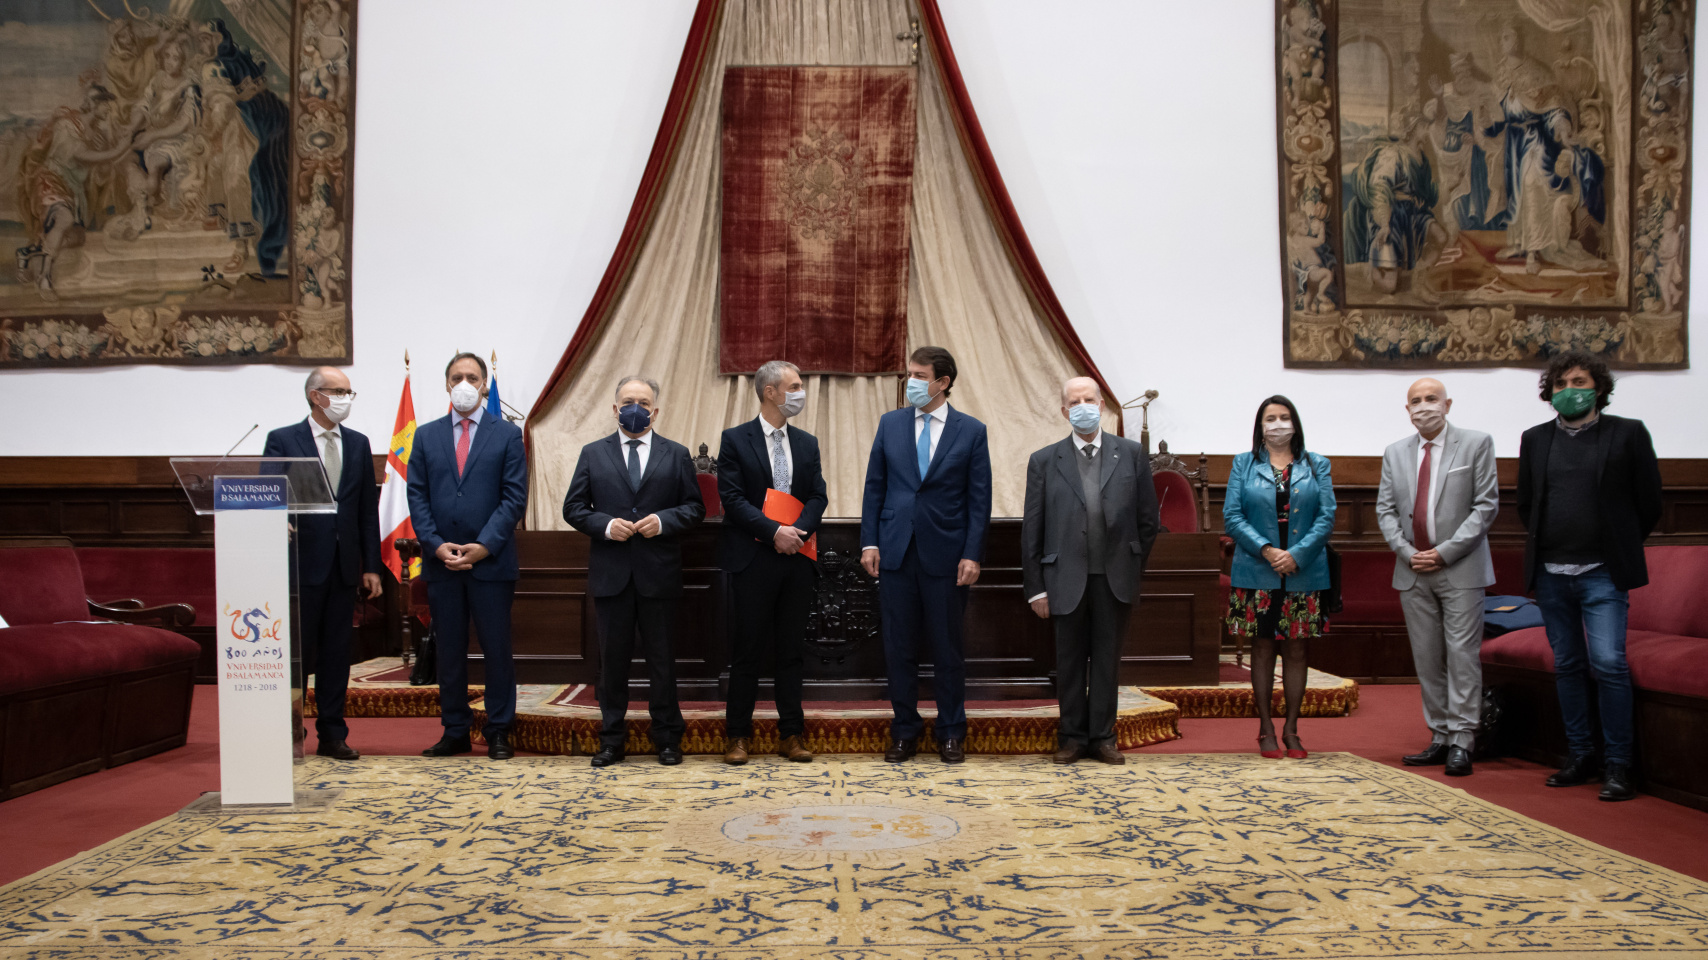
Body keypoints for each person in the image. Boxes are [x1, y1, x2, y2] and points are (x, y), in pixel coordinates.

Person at [1517, 351, 1663, 801]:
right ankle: (1580, 755)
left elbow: (1649, 502)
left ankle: (1619, 764)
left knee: (1609, 664)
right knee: (1568, 665)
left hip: (1603, 573)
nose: (1568, 391)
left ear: (1597, 387)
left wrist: (1616, 545)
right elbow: (1528, 505)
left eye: (1578, 381)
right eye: (1559, 385)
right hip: (1552, 573)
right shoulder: (1535, 438)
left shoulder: (1627, 434)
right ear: (1550, 392)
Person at [563, 376, 706, 767]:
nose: (636, 408)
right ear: (615, 408)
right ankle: (611, 740)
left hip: (658, 574)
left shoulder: (676, 454)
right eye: (628, 400)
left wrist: (664, 520)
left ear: (655, 411)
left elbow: (695, 508)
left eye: (643, 402)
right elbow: (573, 508)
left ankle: (667, 739)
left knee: (662, 662)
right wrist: (606, 526)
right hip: (612, 575)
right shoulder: (593, 453)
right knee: (612, 664)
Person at [860, 346, 992, 764]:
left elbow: (978, 499)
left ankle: (951, 732)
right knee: (899, 648)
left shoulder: (971, 430)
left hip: (947, 556)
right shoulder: (890, 424)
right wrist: (870, 541)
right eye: (909, 374)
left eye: (919, 375)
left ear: (943, 382)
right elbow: (874, 488)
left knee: (947, 648)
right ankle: (905, 731)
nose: (911, 383)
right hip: (896, 552)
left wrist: (973, 552)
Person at [1021, 377, 1159, 765]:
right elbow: (1033, 528)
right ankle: (1071, 738)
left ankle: (1102, 737)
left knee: (1105, 661)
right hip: (1063, 579)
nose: (1082, 406)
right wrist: (1036, 588)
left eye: (1089, 399)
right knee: (1067, 663)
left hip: (1114, 579)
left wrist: (1131, 564)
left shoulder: (1131, 454)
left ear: (1101, 405)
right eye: (1074, 401)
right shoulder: (1044, 460)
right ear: (1065, 411)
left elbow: (1148, 521)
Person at [406, 353, 528, 761]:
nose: (464, 383)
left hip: (490, 563)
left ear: (484, 386)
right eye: (456, 377)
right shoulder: (425, 436)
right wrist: (435, 544)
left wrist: (485, 545)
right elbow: (417, 496)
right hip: (442, 563)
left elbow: (514, 497)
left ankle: (498, 730)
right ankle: (454, 729)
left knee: (496, 650)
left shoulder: (507, 435)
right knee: (450, 652)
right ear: (446, 385)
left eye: (471, 377)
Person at [1375, 378, 1499, 777]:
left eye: (1431, 399)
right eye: (1415, 401)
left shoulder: (1476, 443)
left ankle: (1463, 740)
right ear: (1406, 408)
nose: (1423, 406)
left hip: (1460, 568)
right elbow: (1386, 511)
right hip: (1412, 570)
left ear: (1448, 404)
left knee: (1462, 656)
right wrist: (1410, 553)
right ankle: (1440, 736)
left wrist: (1443, 553)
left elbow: (1485, 507)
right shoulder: (1396, 452)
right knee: (1428, 659)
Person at [261, 367, 381, 761]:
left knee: (335, 654)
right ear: (316, 396)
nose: (346, 398)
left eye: (350, 392)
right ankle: (288, 731)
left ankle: (332, 734)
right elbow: (268, 497)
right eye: (338, 391)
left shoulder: (359, 444)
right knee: (298, 653)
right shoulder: (283, 440)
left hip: (344, 566)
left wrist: (372, 566)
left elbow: (366, 510)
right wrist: (279, 520)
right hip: (300, 565)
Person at [714, 361, 828, 765]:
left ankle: (791, 735)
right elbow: (732, 498)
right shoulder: (735, 439)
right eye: (794, 386)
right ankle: (738, 737)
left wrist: (795, 531)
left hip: (797, 557)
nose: (800, 393)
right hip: (753, 558)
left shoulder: (807, 442)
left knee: (791, 653)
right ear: (770, 392)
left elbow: (818, 496)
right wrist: (772, 532)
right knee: (747, 652)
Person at [1223, 396, 1336, 760]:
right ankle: (1265, 728)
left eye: (1284, 417)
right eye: (1270, 418)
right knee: (1262, 646)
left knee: (1297, 648)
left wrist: (1296, 555)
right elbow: (1232, 517)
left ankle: (1291, 729)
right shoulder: (1244, 464)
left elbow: (1327, 516)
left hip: (1303, 570)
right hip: (1258, 569)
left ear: (1295, 423)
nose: (1278, 424)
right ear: (1260, 426)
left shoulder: (1317, 464)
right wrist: (1269, 550)